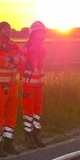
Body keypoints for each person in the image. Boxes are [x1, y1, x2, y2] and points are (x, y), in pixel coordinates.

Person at [0, 21, 21, 157]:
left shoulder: (14, 45)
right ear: (0, 30)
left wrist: (10, 59)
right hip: (0, 86)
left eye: (10, 28)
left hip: (13, 85)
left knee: (11, 114)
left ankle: (8, 143)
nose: (9, 31)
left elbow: (23, 59)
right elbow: (0, 61)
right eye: (6, 28)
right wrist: (14, 59)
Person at [19, 21, 48, 150]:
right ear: (34, 33)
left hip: (40, 84)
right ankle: (28, 137)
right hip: (29, 85)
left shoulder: (43, 47)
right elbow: (20, 64)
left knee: (37, 112)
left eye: (43, 31)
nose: (43, 34)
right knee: (28, 112)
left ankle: (36, 135)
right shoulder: (28, 47)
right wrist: (26, 75)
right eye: (40, 31)